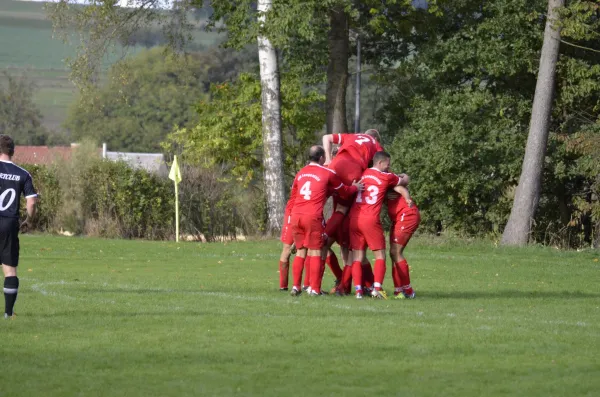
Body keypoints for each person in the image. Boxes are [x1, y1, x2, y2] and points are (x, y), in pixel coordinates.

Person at [289, 145, 363, 296]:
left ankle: (296, 287)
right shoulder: (327, 172)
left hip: (296, 214)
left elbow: (293, 196)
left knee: (301, 251)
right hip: (312, 216)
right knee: (316, 251)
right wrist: (355, 187)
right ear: (322, 158)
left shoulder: (300, 173)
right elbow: (345, 191)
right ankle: (315, 289)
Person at [348, 151, 404, 299]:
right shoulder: (386, 176)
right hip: (370, 219)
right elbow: (403, 181)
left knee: (357, 257)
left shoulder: (363, 173)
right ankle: (377, 289)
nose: (389, 166)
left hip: (354, 217)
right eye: (387, 163)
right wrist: (405, 176)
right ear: (380, 163)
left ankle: (359, 291)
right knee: (380, 255)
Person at [0, 135, 37, 319]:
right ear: (12, 151)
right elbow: (31, 203)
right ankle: (8, 313)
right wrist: (28, 221)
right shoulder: (23, 174)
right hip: (9, 223)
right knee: (9, 270)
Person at [387, 185, 420, 299]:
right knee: (393, 253)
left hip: (406, 215)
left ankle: (408, 289)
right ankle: (398, 290)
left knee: (396, 252)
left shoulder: (386, 178)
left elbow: (401, 187)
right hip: (397, 218)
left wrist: (407, 198)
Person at [277, 185, 296, 291]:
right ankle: (283, 286)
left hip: (308, 212)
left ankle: (308, 286)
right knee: (287, 249)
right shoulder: (302, 175)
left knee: (313, 249)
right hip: (293, 211)